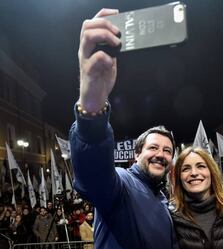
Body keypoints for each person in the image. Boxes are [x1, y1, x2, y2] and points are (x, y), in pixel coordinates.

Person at [69, 8, 178, 249]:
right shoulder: (121, 184)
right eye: (153, 147)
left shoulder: (162, 197)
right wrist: (93, 106)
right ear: (136, 154)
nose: (161, 154)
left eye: (168, 150)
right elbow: (93, 173)